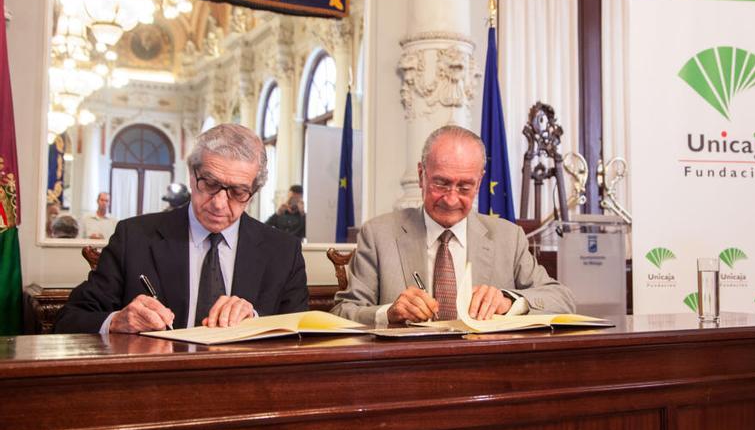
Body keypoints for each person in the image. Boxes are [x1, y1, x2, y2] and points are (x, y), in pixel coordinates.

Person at [55, 124, 309, 334]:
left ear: (253, 193)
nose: (219, 204)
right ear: (191, 174)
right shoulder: (135, 238)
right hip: (155, 384)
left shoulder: (283, 252)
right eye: (209, 184)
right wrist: (117, 321)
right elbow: (69, 320)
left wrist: (256, 319)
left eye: (238, 192)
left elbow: (300, 334)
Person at [331, 125, 575, 325]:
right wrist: (388, 313)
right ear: (421, 175)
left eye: (465, 187)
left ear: (479, 183)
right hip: (404, 372)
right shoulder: (378, 235)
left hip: (486, 370)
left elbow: (562, 300)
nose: (451, 199)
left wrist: (509, 301)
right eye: (441, 184)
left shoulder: (508, 238)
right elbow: (343, 313)